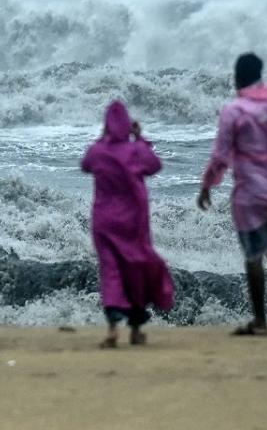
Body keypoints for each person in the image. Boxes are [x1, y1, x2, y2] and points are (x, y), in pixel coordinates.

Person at [199, 52, 267, 335]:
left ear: (237, 78)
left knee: (254, 255)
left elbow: (221, 156)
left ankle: (260, 321)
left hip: (250, 192)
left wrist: (207, 185)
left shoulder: (234, 111)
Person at [81, 100, 174, 348]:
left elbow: (85, 165)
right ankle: (135, 330)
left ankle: (113, 329)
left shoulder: (98, 151)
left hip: (104, 221)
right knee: (135, 269)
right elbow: (155, 165)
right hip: (133, 222)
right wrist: (140, 138)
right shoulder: (136, 151)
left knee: (110, 270)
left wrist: (103, 139)